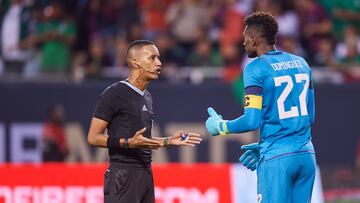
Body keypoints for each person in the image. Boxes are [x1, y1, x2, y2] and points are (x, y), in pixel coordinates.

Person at [205, 12, 316, 203]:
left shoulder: (255, 68)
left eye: (245, 38)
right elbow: (310, 116)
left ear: (253, 39)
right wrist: (264, 145)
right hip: (306, 156)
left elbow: (251, 120)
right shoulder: (302, 64)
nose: (243, 43)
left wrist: (222, 126)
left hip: (277, 159)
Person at [87, 40, 202, 203]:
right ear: (135, 62)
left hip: (146, 174)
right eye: (152, 58)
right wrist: (127, 142)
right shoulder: (113, 94)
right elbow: (93, 137)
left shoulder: (147, 96)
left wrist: (167, 141)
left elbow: (139, 142)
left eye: (159, 58)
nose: (159, 63)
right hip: (123, 175)